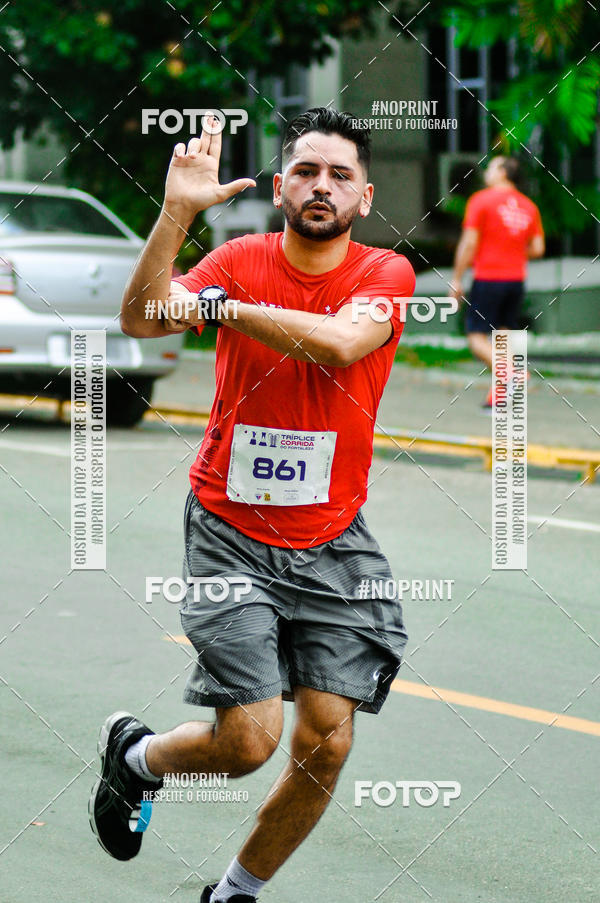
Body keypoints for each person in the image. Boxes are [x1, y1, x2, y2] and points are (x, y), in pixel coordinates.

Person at [88, 107, 415, 903]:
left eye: (340, 174)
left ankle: (234, 894)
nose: (321, 185)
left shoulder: (386, 275)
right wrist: (175, 215)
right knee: (248, 742)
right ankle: (136, 759)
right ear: (278, 187)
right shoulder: (237, 257)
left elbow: (340, 342)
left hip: (334, 538)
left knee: (327, 745)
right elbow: (139, 318)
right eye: (305, 170)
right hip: (230, 530)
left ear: (364, 198)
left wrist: (224, 308)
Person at [450, 155, 545, 407]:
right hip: (515, 280)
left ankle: (512, 374)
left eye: (491, 167)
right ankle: (500, 395)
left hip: (489, 278)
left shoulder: (482, 200)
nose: (486, 172)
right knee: (502, 337)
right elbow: (537, 248)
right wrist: (511, 251)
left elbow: (469, 242)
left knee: (476, 338)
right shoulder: (529, 206)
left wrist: (456, 278)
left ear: (504, 172)